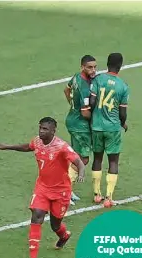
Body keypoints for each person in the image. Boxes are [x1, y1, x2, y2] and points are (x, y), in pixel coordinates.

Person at [0, 117, 85, 258]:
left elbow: (78, 162)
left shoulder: (61, 146)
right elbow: (27, 147)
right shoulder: (37, 141)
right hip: (42, 187)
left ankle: (64, 235)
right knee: (36, 215)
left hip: (60, 191)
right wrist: (7, 147)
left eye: (45, 129)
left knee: (55, 225)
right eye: (40, 128)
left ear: (53, 131)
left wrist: (81, 173)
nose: (41, 131)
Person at [82, 53, 129, 208]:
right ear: (120, 65)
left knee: (97, 159)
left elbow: (93, 101)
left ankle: (97, 194)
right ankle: (108, 197)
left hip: (97, 127)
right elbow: (123, 112)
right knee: (113, 161)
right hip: (113, 128)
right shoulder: (123, 86)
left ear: (107, 63)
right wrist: (123, 123)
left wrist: (94, 117)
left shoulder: (98, 79)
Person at [63, 55, 96, 205]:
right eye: (90, 67)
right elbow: (85, 112)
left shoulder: (76, 77)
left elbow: (66, 90)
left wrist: (72, 105)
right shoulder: (84, 86)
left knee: (74, 157)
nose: (93, 70)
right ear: (82, 67)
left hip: (72, 119)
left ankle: (67, 190)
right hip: (80, 126)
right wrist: (96, 120)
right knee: (83, 159)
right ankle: (65, 191)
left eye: (95, 67)